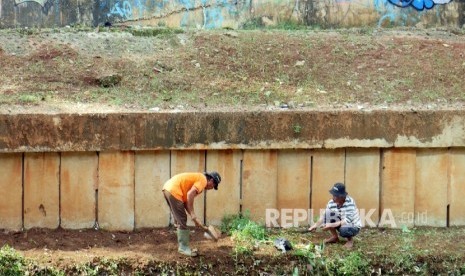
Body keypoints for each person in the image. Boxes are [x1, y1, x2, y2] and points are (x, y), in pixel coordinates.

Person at [162, 171, 221, 257]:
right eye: (213, 185)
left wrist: (195, 218)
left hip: (168, 188)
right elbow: (190, 195)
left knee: (179, 217)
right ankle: (183, 248)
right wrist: (193, 215)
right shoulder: (203, 180)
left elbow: (186, 202)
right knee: (182, 218)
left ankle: (180, 238)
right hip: (174, 190)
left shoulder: (199, 179)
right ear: (211, 180)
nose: (212, 188)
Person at [308, 183, 361, 249]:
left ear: (342, 196)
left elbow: (347, 221)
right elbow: (324, 215)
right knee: (328, 214)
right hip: (341, 222)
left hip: (352, 225)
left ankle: (350, 240)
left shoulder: (349, 202)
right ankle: (335, 237)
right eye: (333, 195)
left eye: (336, 196)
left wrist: (330, 225)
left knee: (344, 229)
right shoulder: (331, 202)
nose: (333, 198)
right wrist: (315, 225)